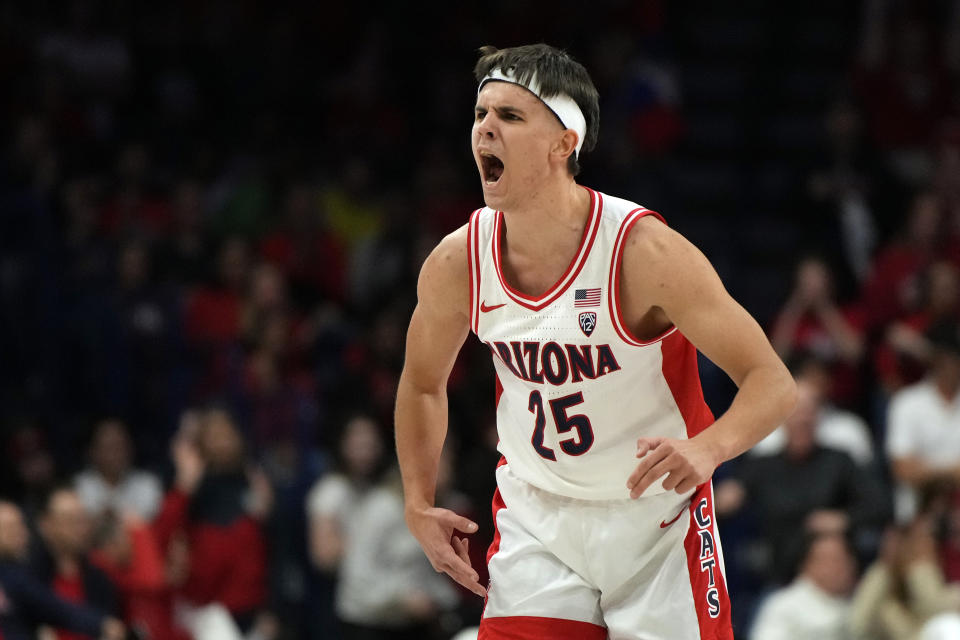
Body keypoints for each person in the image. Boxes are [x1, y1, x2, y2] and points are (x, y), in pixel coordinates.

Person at [395, 44, 797, 640]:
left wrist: (709, 449)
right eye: (481, 115)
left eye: (510, 116)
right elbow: (423, 383)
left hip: (656, 521)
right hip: (539, 517)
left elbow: (774, 384)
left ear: (565, 143)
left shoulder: (642, 252)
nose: (485, 129)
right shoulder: (459, 261)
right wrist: (417, 500)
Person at [0, 500, 126, 640]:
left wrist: (101, 624)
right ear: (47, 525)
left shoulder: (99, 576)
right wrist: (101, 624)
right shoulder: (23, 574)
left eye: (21, 526)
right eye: (11, 528)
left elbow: (55, 608)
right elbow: (55, 609)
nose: (22, 533)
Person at [748, 532, 857, 640]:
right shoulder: (783, 605)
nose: (841, 568)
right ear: (807, 565)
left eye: (845, 559)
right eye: (833, 560)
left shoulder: (859, 601)